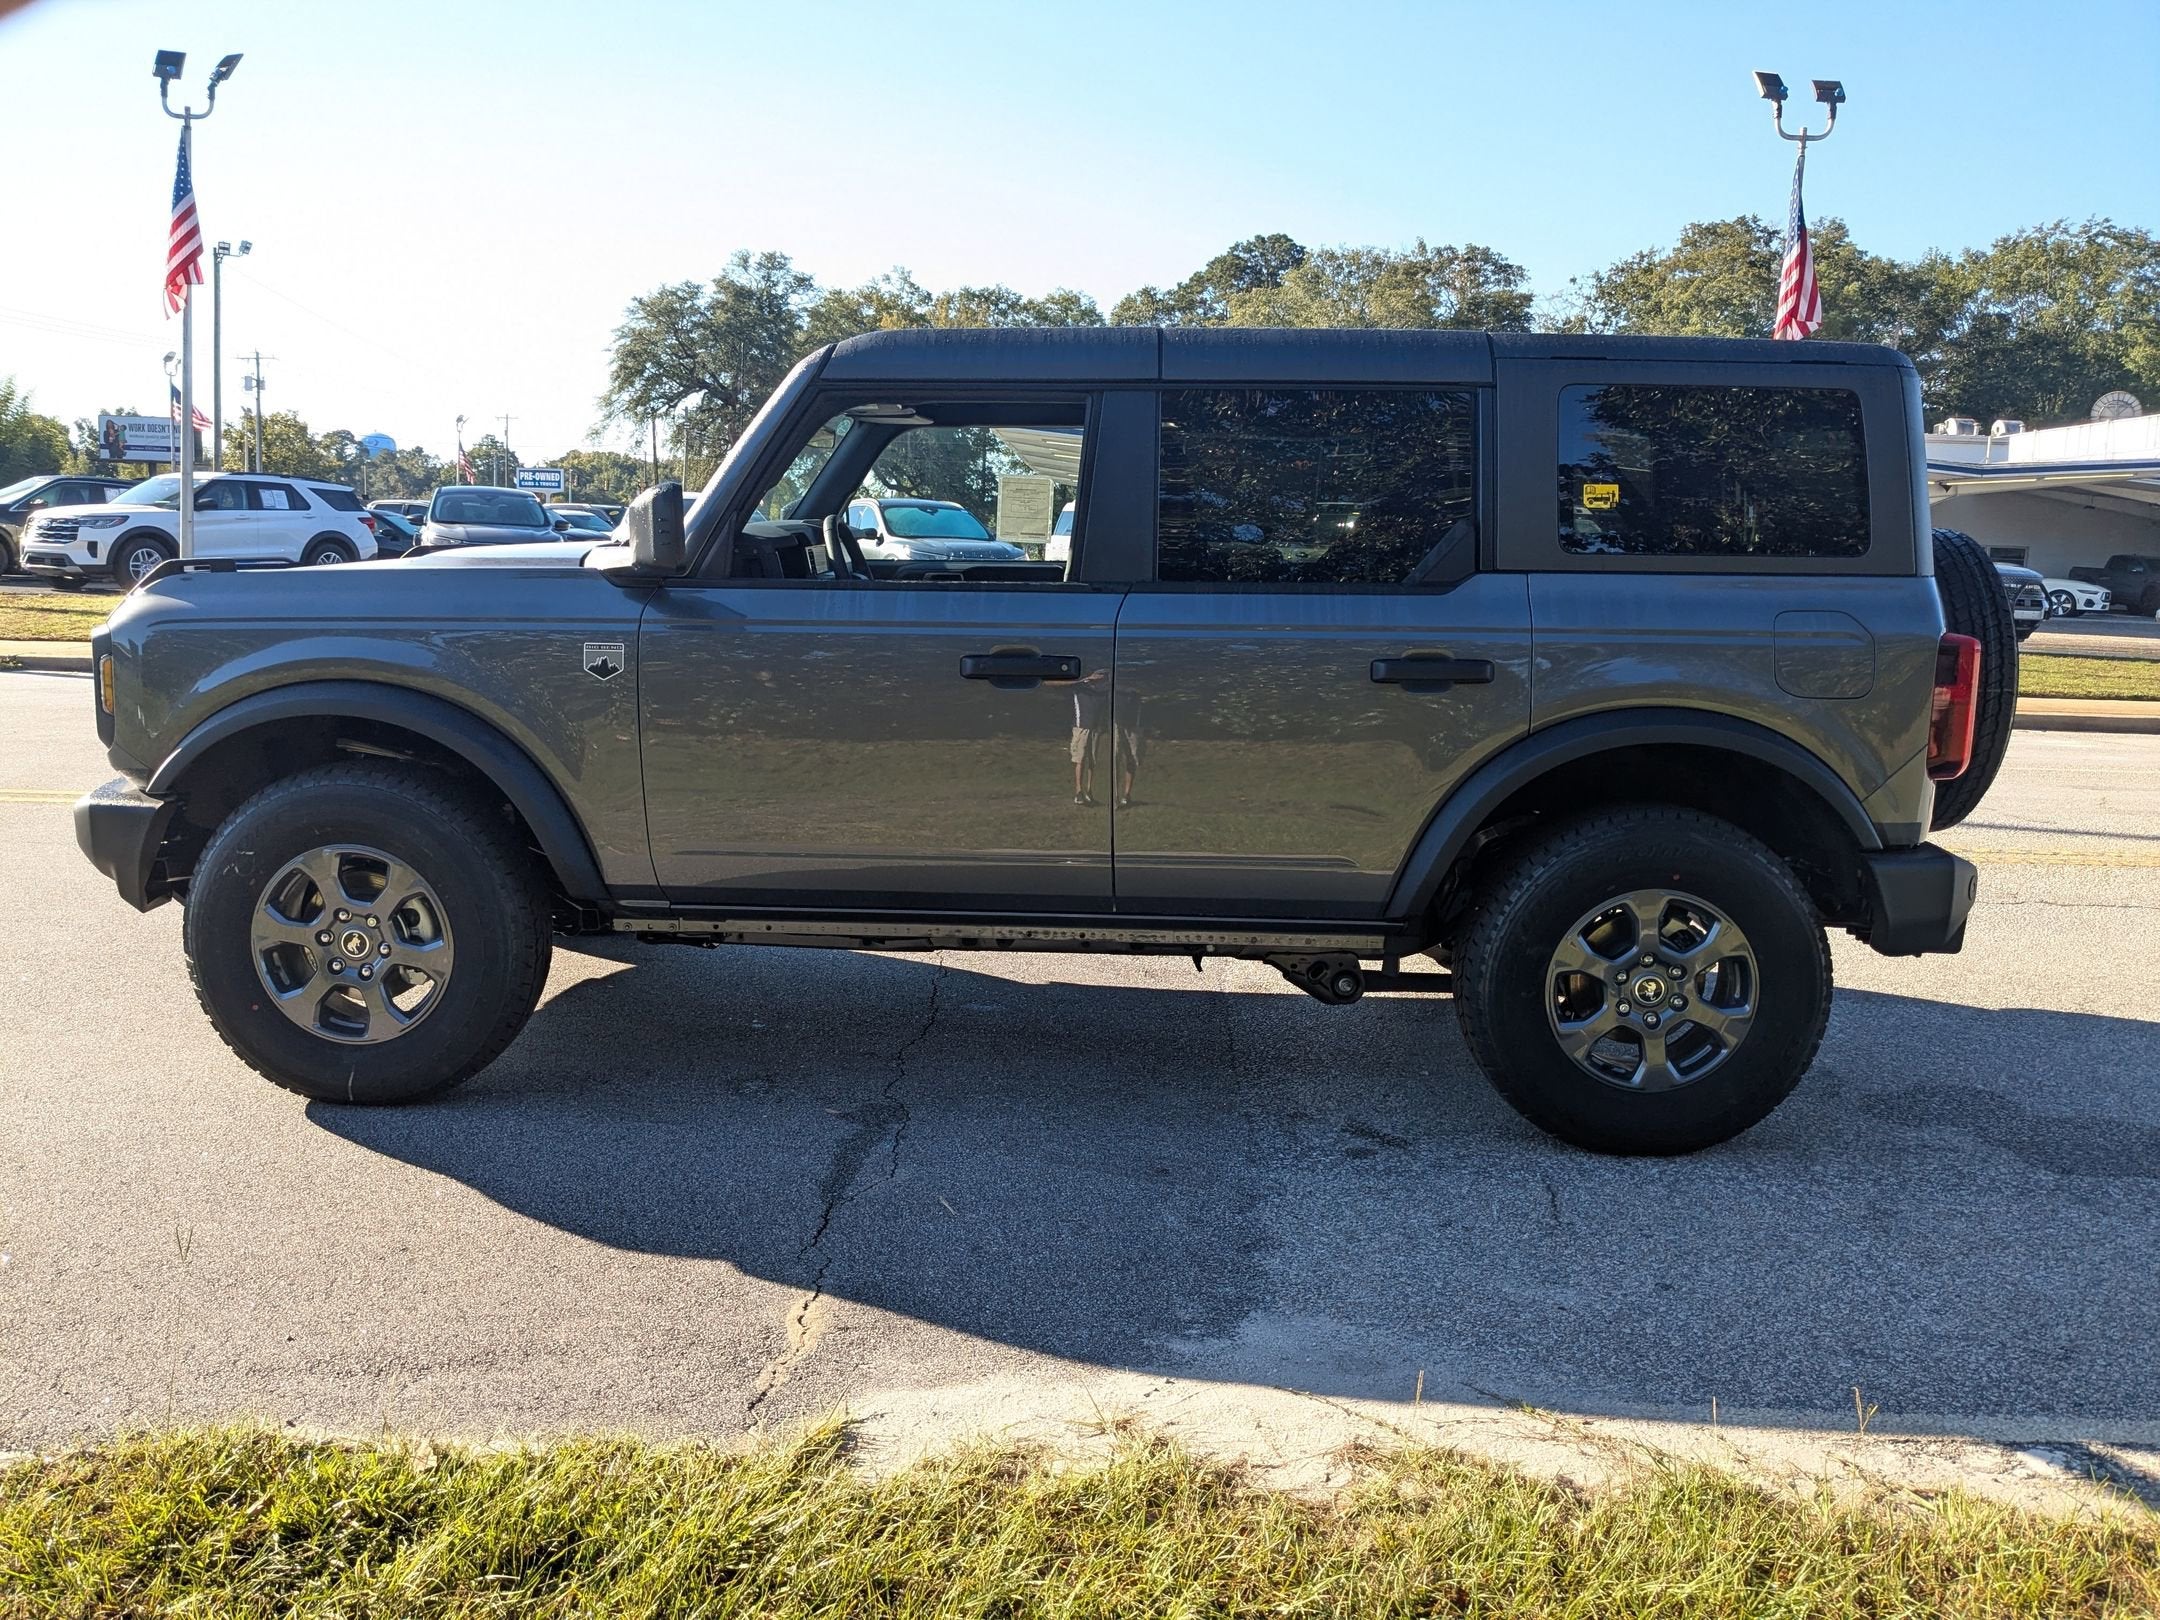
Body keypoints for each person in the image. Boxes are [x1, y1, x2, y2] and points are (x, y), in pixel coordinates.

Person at [1071, 669, 1109, 805]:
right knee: (1080, 758)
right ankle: (1078, 791)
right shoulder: (1080, 687)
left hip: (1096, 729)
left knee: (1092, 759)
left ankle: (1089, 790)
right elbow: (1055, 684)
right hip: (1081, 727)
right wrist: (1085, 679)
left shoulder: (1104, 691)